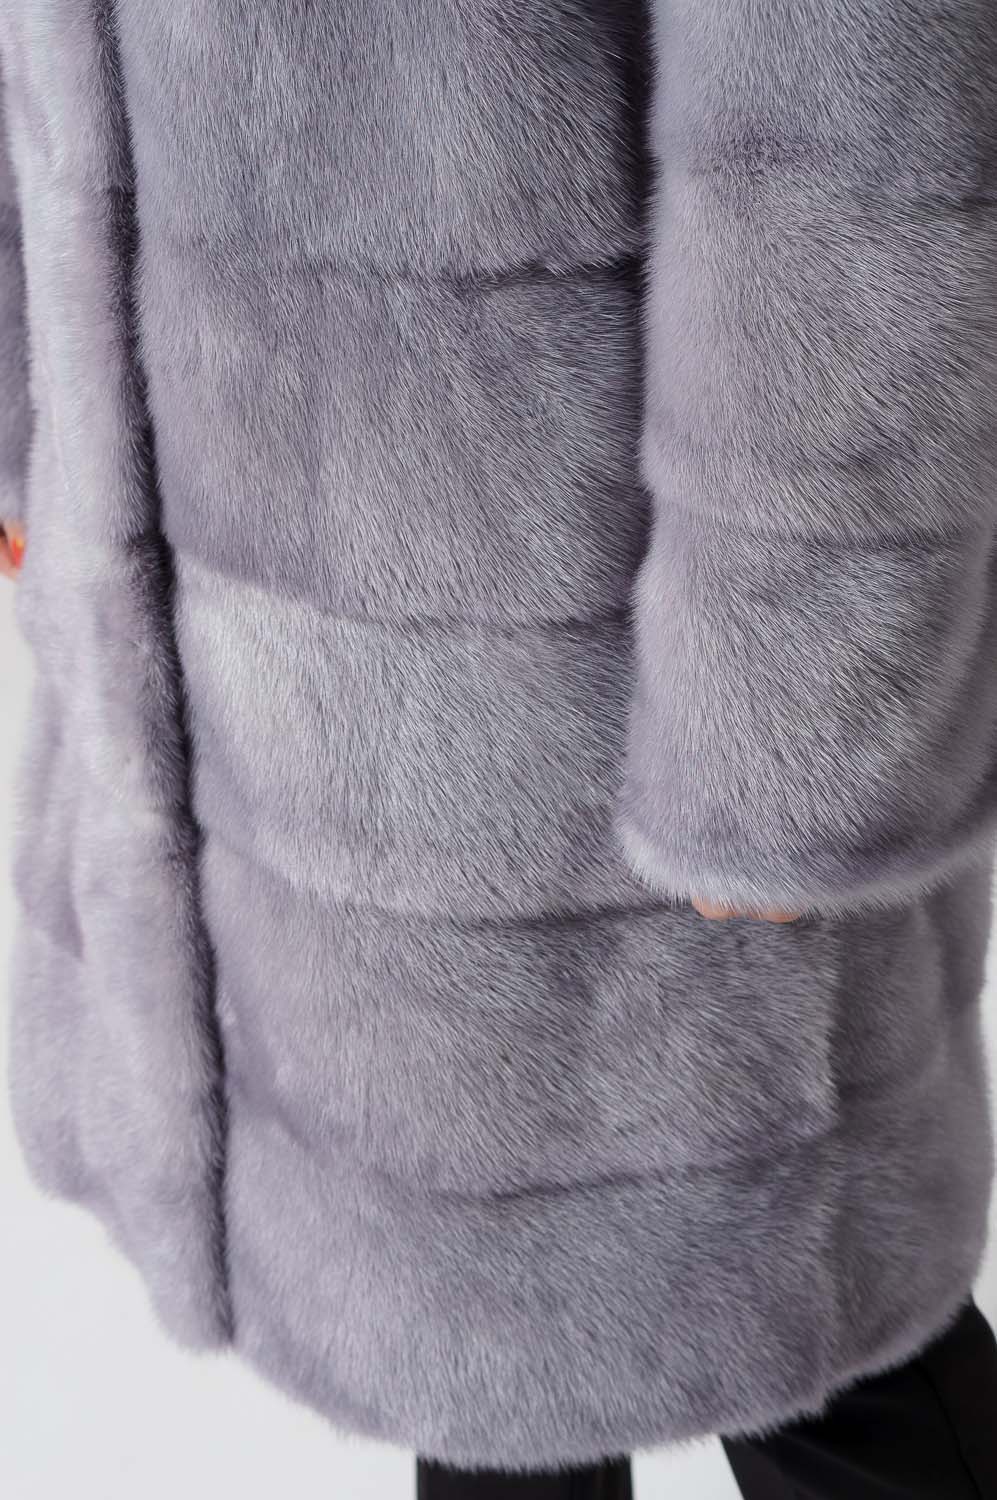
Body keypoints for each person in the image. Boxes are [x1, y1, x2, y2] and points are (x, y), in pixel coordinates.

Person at [2, 4, 997, 1497]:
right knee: (467, 1362)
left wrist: (788, 735)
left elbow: (846, 136)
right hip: (264, 692)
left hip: (614, 698)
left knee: (811, 1345)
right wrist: (35, 411)